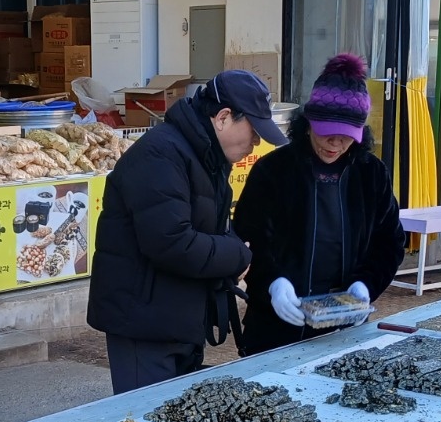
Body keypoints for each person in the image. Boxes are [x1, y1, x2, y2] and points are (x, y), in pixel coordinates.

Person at [87, 70, 287, 393]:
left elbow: (210, 230)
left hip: (176, 318)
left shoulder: (205, 157)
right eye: (253, 131)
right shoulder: (161, 155)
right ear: (223, 118)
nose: (256, 143)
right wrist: (237, 255)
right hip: (144, 324)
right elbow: (172, 242)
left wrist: (232, 254)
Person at [232, 53, 403, 356]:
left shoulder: (371, 174)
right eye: (327, 134)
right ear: (309, 123)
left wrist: (365, 285)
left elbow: (389, 241)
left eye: (346, 138)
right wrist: (273, 283)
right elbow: (247, 239)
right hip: (275, 325)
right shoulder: (274, 171)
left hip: (344, 325)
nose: (334, 145)